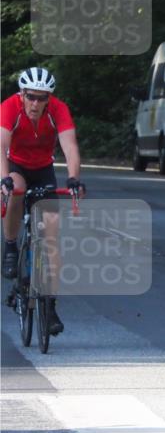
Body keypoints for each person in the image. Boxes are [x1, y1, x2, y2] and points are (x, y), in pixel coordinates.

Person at [0, 66, 85, 336]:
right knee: (17, 190)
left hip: (43, 169)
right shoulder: (9, 107)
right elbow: (0, 146)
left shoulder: (58, 109)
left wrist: (73, 179)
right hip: (16, 166)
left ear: (49, 98)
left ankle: (49, 305)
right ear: (22, 94)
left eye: (42, 98)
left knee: (51, 235)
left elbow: (70, 145)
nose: (36, 103)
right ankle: (11, 246)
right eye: (31, 97)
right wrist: (4, 179)